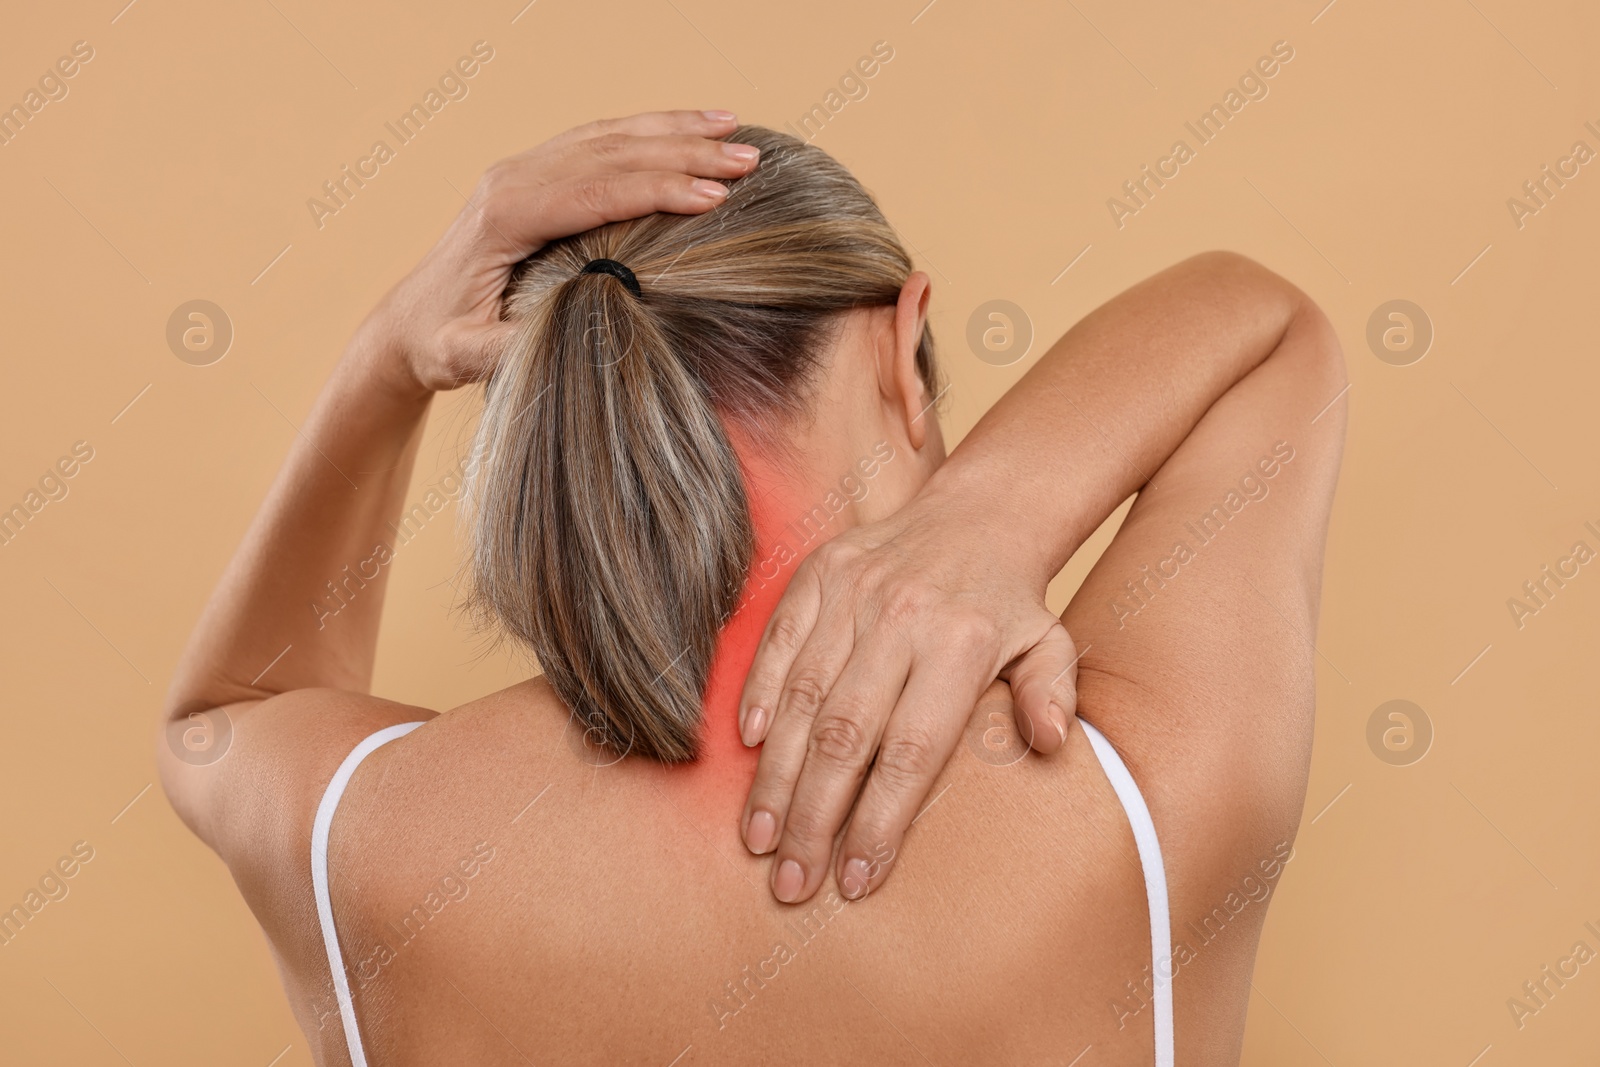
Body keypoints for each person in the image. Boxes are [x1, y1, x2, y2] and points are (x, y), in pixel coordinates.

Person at [159, 110, 1346, 1066]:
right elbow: (1268, 328)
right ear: (905, 344)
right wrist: (988, 518)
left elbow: (224, 713)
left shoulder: (369, 840)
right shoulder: (1131, 803)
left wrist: (388, 353)